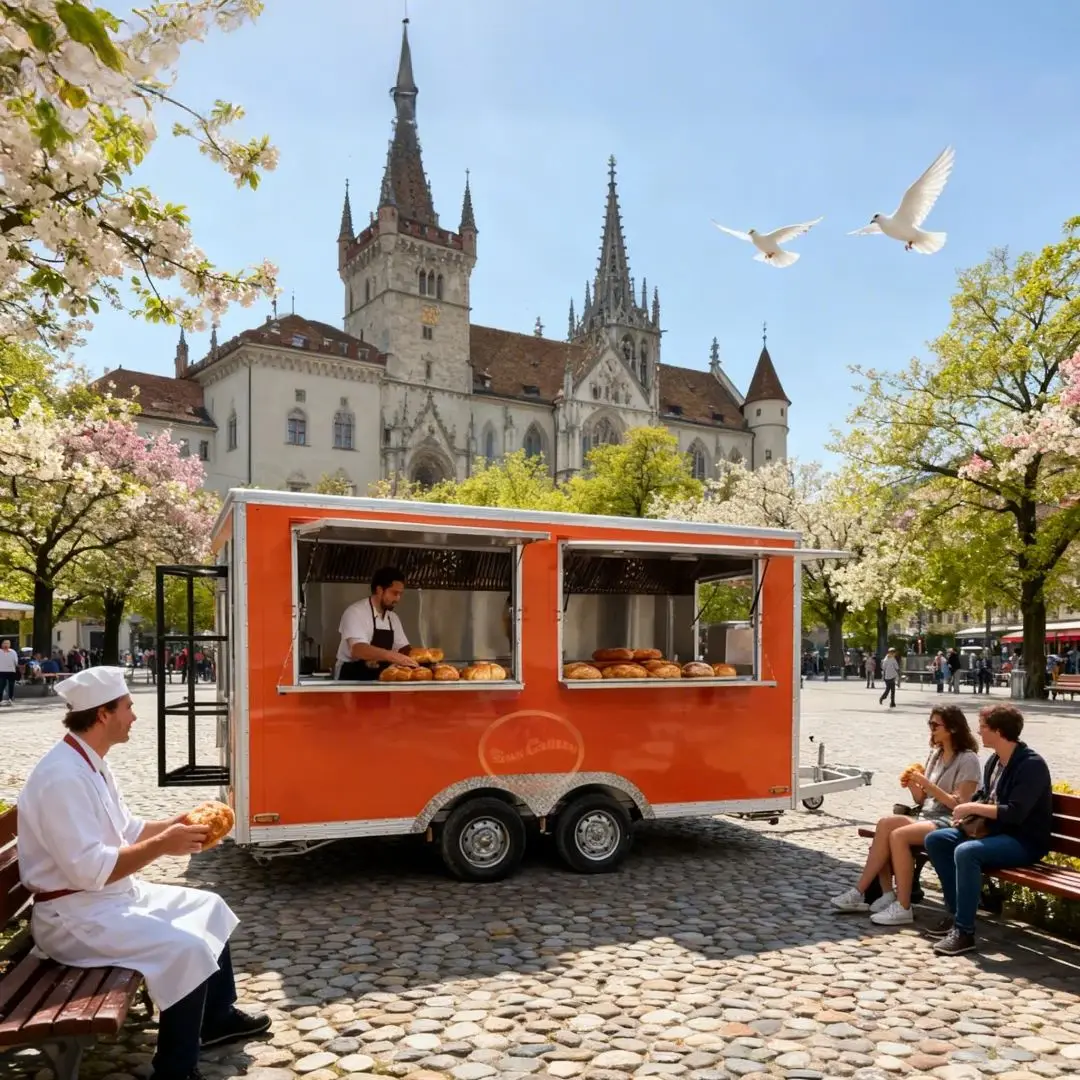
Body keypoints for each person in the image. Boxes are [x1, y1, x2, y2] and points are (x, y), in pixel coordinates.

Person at [17, 667, 270, 1080]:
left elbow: (129, 830)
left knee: (210, 905)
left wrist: (178, 823)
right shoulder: (61, 777)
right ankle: (175, 1069)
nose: (134, 716)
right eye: (128, 707)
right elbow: (88, 870)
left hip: (104, 901)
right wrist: (163, 846)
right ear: (103, 714)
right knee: (185, 948)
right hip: (73, 918)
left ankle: (215, 1020)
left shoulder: (89, 760)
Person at [923, 704, 1053, 956]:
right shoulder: (994, 760)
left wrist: (972, 807)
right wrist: (968, 814)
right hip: (994, 832)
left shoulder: (1031, 765)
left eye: (983, 727)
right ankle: (955, 913)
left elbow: (1015, 812)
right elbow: (986, 795)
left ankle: (964, 932)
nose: (979, 732)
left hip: (1023, 840)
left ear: (999, 731)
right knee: (937, 839)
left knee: (967, 852)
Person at [831, 706, 980, 922]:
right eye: (930, 724)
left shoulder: (968, 760)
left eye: (935, 725)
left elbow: (961, 804)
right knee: (885, 824)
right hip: (927, 816)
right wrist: (913, 785)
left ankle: (903, 906)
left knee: (898, 835)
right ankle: (869, 893)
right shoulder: (936, 754)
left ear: (953, 728)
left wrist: (927, 783)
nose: (931, 729)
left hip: (950, 821)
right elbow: (922, 801)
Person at [335, 565, 417, 680]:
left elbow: (403, 649)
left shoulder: (393, 618)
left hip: (379, 680)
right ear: (379, 590)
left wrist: (423, 661)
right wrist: (390, 656)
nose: (398, 598)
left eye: (400, 594)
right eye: (394, 593)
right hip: (351, 679)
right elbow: (358, 649)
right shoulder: (355, 612)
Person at [0, 638, 17, 706]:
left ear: (10, 645)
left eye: (8, 643)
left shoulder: (13, 652)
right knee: (1, 685)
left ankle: (10, 698)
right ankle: (0, 700)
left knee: (11, 685)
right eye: (5, 643)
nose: (6, 645)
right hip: (1, 671)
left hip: (11, 671)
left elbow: (16, 662)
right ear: (2, 644)